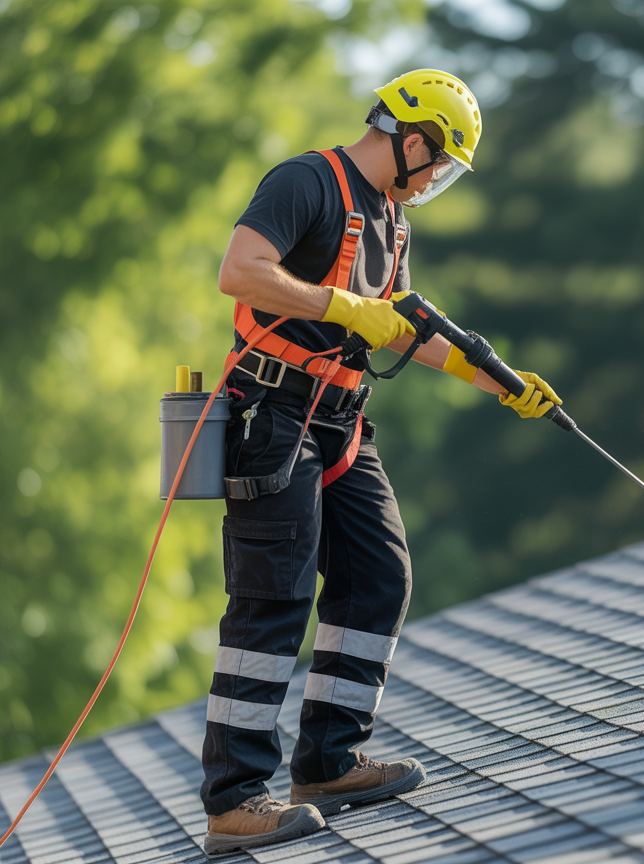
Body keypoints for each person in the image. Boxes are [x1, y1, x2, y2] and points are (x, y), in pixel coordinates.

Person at [200, 69, 561, 855]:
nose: (435, 182)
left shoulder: (392, 221)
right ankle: (234, 800)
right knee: (274, 597)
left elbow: (400, 327)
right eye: (440, 164)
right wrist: (341, 306)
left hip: (341, 421)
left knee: (379, 575)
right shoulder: (306, 182)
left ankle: (328, 763)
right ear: (414, 140)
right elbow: (241, 271)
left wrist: (498, 384)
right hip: (274, 417)